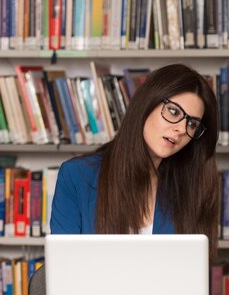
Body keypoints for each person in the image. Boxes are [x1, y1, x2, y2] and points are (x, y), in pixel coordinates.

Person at [50, 64, 220, 260]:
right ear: (147, 104)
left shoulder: (193, 188)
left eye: (192, 124)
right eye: (174, 112)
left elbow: (192, 279)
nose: (181, 129)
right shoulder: (76, 176)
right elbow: (64, 270)